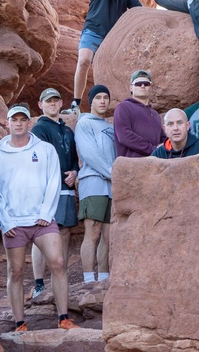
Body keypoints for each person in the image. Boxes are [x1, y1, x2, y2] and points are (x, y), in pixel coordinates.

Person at [0, 105, 79, 331]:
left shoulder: (46, 150)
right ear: (7, 122)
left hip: (42, 220)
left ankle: (63, 318)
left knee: (58, 263)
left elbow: (53, 181)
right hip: (14, 223)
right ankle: (20, 323)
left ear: (30, 122)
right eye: (14, 119)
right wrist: (6, 221)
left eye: (23, 119)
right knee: (16, 271)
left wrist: (45, 213)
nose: (18, 123)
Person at [71, 0, 149, 109]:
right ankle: (75, 104)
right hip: (93, 29)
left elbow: (138, 9)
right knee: (84, 60)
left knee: (109, 73)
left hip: (112, 38)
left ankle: (113, 106)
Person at [28, 88, 79, 301]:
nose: (52, 104)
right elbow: (41, 160)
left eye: (56, 100)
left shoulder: (67, 130)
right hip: (48, 188)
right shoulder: (39, 129)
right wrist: (60, 176)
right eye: (48, 101)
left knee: (65, 231)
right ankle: (39, 283)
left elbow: (74, 156)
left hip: (66, 188)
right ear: (40, 104)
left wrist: (75, 172)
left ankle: (61, 277)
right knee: (42, 234)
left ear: (60, 104)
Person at [74, 85, 115, 284]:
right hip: (93, 183)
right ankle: (89, 278)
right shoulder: (84, 124)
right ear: (91, 101)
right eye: (98, 97)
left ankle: (104, 276)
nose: (102, 101)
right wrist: (112, 173)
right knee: (93, 231)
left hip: (111, 186)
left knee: (108, 234)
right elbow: (90, 154)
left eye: (105, 97)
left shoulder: (110, 127)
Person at [114, 70, 165, 158]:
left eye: (146, 84)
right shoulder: (123, 108)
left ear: (150, 87)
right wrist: (153, 149)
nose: (142, 86)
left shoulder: (155, 114)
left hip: (155, 165)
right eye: (138, 84)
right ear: (131, 88)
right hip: (132, 167)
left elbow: (162, 138)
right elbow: (124, 136)